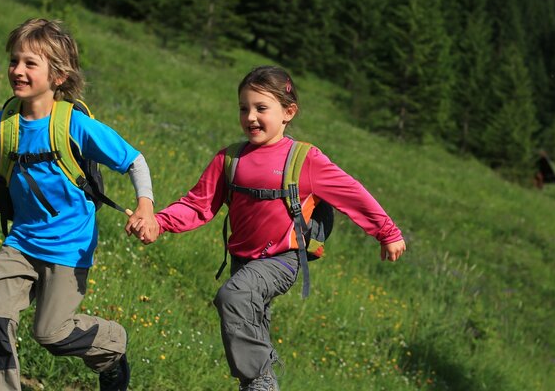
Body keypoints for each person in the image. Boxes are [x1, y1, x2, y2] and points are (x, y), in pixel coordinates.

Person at [131, 65, 406, 391]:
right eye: (244, 108)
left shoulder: (305, 159)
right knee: (252, 323)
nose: (250, 117)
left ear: (288, 112)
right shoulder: (230, 158)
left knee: (234, 297)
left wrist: (387, 232)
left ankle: (259, 380)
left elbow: (353, 194)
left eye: (261, 108)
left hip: (282, 258)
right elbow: (197, 204)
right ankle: (261, 383)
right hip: (242, 261)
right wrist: (159, 222)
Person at [0, 18, 156, 391]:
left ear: (59, 76)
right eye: (14, 61)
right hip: (21, 242)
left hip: (68, 248)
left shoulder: (74, 125)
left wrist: (145, 206)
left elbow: (134, 160)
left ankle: (112, 348)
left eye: (30, 64)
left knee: (51, 333)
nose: (17, 70)